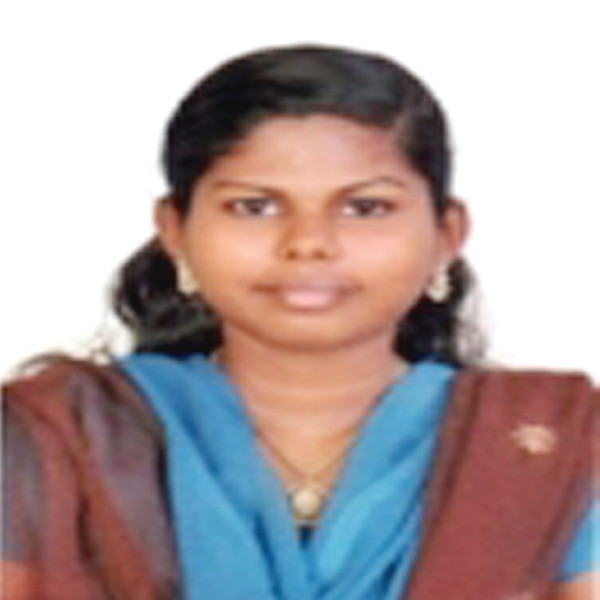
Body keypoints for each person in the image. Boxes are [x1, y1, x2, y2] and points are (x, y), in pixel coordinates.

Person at [2, 44, 597, 600]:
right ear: (175, 231)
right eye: (254, 206)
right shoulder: (55, 438)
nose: (308, 243)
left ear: (447, 234)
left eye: (365, 207)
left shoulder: (555, 451)